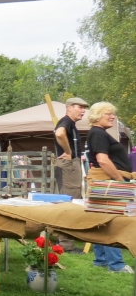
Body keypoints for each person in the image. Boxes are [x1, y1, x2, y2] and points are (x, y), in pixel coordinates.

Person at [85, 101, 133, 274]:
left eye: (113, 113)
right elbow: (103, 160)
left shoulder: (98, 133)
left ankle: (102, 261)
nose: (113, 116)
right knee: (112, 222)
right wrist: (120, 180)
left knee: (102, 222)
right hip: (110, 182)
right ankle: (116, 265)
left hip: (107, 182)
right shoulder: (98, 134)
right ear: (98, 116)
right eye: (108, 114)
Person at [53, 97, 88, 251]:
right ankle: (66, 245)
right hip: (68, 165)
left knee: (69, 201)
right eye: (80, 107)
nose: (83, 111)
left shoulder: (70, 123)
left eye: (84, 108)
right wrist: (68, 152)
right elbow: (59, 134)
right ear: (69, 108)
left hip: (69, 165)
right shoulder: (65, 121)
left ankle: (64, 240)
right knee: (69, 202)